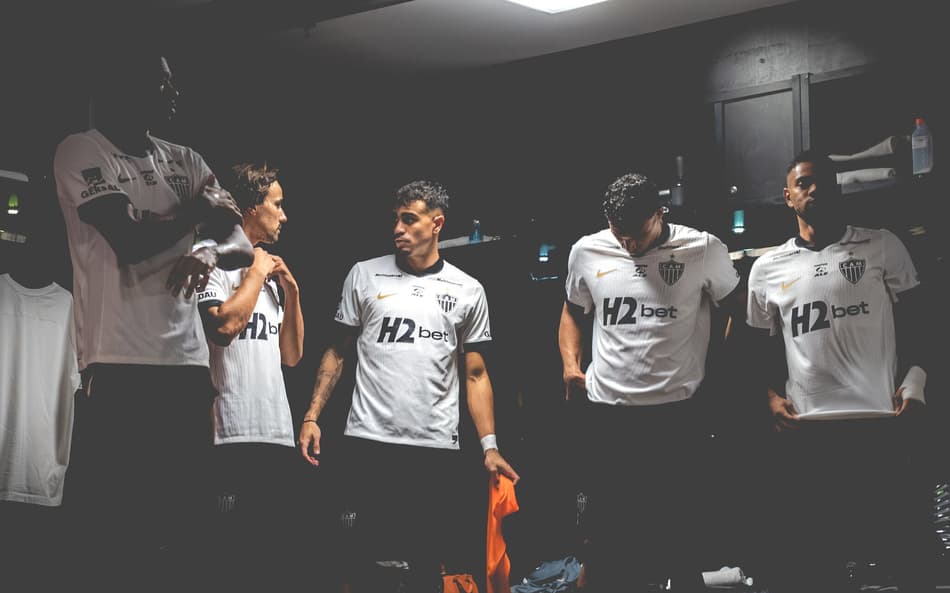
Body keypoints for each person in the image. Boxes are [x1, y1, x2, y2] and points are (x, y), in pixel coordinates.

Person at [53, 43, 254, 587]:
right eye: (160, 83)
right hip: (117, 368)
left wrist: (210, 250)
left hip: (185, 369)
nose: (173, 94)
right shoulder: (81, 150)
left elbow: (241, 242)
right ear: (122, 88)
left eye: (173, 84)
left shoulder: (184, 158)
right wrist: (198, 212)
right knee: (111, 532)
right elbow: (128, 241)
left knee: (185, 529)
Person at [298, 180, 520, 593]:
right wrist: (312, 415)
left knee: (424, 565)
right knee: (363, 562)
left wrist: (489, 445)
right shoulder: (363, 274)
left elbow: (475, 374)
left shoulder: (467, 289)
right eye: (395, 219)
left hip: (433, 447)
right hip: (368, 441)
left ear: (437, 224)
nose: (397, 228)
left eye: (409, 219)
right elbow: (337, 352)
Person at [746, 149, 934, 593]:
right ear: (788, 196)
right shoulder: (767, 269)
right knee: (817, 563)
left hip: (881, 423)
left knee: (906, 557)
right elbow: (753, 351)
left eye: (825, 182)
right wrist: (768, 396)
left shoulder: (882, 244)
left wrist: (917, 382)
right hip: (810, 433)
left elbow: (925, 321)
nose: (816, 190)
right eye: (805, 183)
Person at [558, 172, 740, 592]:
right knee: (602, 542)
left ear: (660, 214)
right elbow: (571, 311)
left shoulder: (703, 249)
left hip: (676, 416)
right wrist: (570, 364)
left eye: (637, 235)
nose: (629, 246)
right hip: (608, 417)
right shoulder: (587, 250)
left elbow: (733, 308)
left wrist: (719, 366)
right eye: (619, 234)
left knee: (680, 542)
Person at [196, 162, 304, 587]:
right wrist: (256, 272)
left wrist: (292, 291)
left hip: (275, 431)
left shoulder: (273, 275)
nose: (284, 214)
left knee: (270, 558)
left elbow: (292, 356)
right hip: (228, 432)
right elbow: (223, 328)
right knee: (227, 558)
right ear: (251, 207)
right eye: (277, 204)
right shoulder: (211, 255)